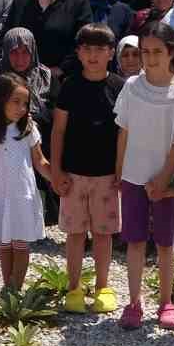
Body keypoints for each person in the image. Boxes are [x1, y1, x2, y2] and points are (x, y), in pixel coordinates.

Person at [114, 22, 174, 331]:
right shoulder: (132, 86)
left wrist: (165, 177)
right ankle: (134, 302)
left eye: (157, 51)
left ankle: (166, 301)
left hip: (167, 179)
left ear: (171, 52)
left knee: (164, 242)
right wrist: (119, 172)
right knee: (134, 241)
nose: (150, 58)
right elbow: (123, 131)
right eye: (145, 52)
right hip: (133, 176)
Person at [51, 24, 124, 314]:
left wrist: (122, 168)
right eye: (87, 49)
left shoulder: (119, 87)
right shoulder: (69, 86)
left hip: (107, 174)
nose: (93, 55)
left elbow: (124, 133)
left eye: (100, 49)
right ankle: (74, 286)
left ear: (110, 53)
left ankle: (103, 286)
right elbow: (58, 131)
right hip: (73, 173)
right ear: (79, 53)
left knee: (104, 233)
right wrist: (55, 170)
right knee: (75, 233)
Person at [0, 73, 52, 290]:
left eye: (25, 103)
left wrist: (58, 179)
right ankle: (7, 286)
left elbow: (40, 161)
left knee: (20, 243)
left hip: (22, 196)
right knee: (4, 244)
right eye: (15, 101)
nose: (21, 108)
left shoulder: (28, 129)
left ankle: (15, 289)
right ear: (1, 101)